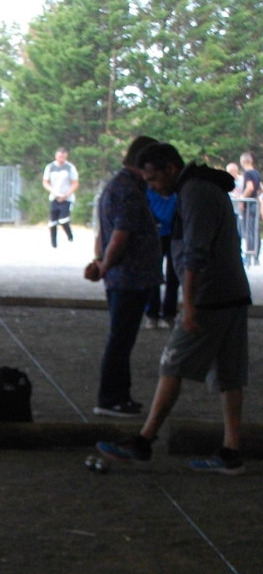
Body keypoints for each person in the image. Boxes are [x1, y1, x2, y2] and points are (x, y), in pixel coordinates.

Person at [97, 143, 251, 475]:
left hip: (210, 296)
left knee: (173, 364)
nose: (153, 187)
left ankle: (144, 441)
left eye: (154, 179)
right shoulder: (203, 188)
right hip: (232, 293)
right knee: (229, 375)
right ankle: (231, 450)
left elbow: (195, 252)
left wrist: (189, 304)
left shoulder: (193, 192)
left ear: (170, 168)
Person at [84, 136, 162, 418]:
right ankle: (110, 398)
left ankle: (120, 395)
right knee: (120, 339)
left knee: (122, 338)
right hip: (130, 276)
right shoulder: (130, 190)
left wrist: (100, 261)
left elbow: (103, 232)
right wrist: (105, 264)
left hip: (125, 276)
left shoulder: (117, 185)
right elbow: (120, 234)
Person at [143, 181, 178, 329]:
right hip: (155, 235)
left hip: (174, 235)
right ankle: (152, 313)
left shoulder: (177, 192)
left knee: (173, 276)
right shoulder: (148, 192)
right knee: (153, 274)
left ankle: (169, 314)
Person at [42, 147, 79, 247]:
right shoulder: (50, 167)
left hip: (67, 198)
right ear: (56, 156)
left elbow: (75, 183)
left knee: (63, 220)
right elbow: (45, 182)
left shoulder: (70, 167)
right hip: (54, 197)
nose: (61, 158)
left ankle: (70, 236)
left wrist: (66, 194)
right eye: (59, 156)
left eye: (63, 156)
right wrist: (52, 191)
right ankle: (54, 244)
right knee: (52, 222)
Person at [239, 152, 260, 265]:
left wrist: (242, 199)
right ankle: (256, 256)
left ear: (243, 161)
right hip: (255, 203)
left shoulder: (247, 173)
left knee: (248, 230)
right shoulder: (256, 173)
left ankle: (249, 255)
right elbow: (260, 189)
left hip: (249, 205)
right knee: (254, 229)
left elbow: (250, 187)